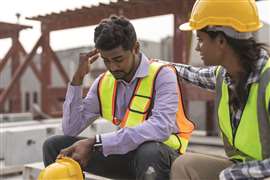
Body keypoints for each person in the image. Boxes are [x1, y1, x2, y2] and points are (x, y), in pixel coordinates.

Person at [42, 15, 194, 180]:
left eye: (118, 59)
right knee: (54, 146)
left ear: (135, 48)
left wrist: (96, 142)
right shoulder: (103, 82)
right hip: (125, 155)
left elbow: (161, 127)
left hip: (163, 158)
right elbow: (71, 128)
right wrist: (77, 79)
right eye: (106, 61)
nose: (113, 67)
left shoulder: (162, 74)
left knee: (149, 152)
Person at [170, 0, 270, 179]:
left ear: (222, 40)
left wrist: (234, 174)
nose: (197, 47)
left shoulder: (268, 82)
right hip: (242, 168)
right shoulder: (224, 75)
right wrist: (154, 65)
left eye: (200, 39)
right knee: (185, 166)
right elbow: (192, 74)